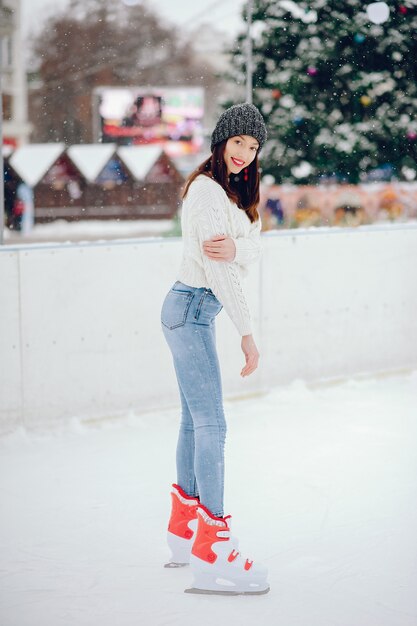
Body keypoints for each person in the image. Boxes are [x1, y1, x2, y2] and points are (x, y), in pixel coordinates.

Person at [160, 103, 270, 596]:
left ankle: (184, 527)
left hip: (191, 310)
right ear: (222, 140)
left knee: (193, 420)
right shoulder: (206, 192)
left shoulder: (235, 194)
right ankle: (214, 542)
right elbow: (220, 269)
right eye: (239, 142)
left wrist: (240, 247)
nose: (245, 154)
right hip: (192, 307)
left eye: (253, 146)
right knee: (212, 424)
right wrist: (246, 332)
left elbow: (252, 247)